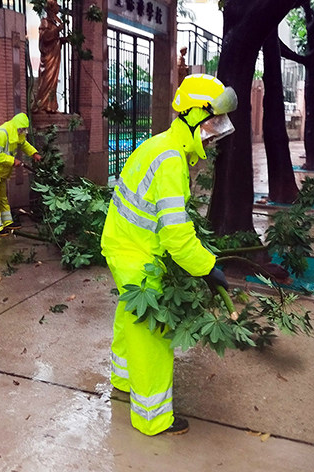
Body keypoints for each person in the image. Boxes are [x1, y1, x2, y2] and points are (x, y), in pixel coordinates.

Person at [101, 73, 238, 436]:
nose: (215, 132)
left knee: (131, 313)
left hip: (125, 243)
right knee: (153, 330)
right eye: (212, 122)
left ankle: (124, 379)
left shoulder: (163, 146)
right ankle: (154, 418)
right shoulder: (171, 160)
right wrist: (208, 268)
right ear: (193, 116)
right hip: (135, 250)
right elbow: (178, 236)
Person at [0, 112, 42, 236]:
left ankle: (7, 222)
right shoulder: (1, 133)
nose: (23, 131)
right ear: (17, 126)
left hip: (1, 171)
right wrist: (12, 160)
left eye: (24, 129)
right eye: (22, 129)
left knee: (3, 197)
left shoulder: (17, 133)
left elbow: (23, 144)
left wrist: (34, 153)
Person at [34, 0, 65, 113]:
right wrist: (57, 30)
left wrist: (61, 40)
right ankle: (41, 104)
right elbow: (45, 38)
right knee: (46, 80)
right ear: (51, 7)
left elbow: (53, 40)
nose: (58, 7)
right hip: (48, 58)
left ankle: (50, 105)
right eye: (56, 5)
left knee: (53, 82)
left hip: (54, 55)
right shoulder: (45, 22)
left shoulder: (54, 22)